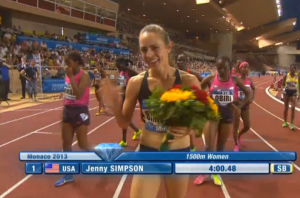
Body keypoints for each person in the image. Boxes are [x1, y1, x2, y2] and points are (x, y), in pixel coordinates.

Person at [101, 24, 202, 198]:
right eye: (144, 50)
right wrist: (116, 106)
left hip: (178, 153)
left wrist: (190, 129)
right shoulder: (136, 82)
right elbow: (123, 123)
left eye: (155, 48)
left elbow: (201, 122)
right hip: (149, 152)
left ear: (169, 47)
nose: (149, 55)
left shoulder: (189, 81)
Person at [194, 56, 251, 186]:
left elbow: (248, 94)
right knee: (209, 146)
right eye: (219, 68)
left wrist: (239, 106)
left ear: (229, 68)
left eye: (224, 68)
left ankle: (215, 172)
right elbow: (197, 93)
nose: (222, 71)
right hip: (212, 117)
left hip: (228, 117)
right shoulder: (210, 79)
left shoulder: (235, 80)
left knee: (220, 147)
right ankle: (204, 172)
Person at [55, 52, 94, 187]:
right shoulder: (68, 74)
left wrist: (71, 77)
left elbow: (78, 94)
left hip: (81, 111)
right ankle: (68, 174)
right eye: (66, 63)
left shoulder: (84, 76)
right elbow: (71, 91)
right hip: (68, 110)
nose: (67, 66)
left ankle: (101, 156)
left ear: (77, 63)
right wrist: (64, 93)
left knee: (83, 145)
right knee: (66, 144)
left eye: (69, 63)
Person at [177, 54, 203, 151]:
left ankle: (191, 147)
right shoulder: (172, 73)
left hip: (188, 104)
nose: (180, 62)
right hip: (176, 103)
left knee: (186, 128)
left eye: (183, 60)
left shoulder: (192, 74)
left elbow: (204, 81)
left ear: (187, 62)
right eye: (179, 60)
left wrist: (199, 94)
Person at [114, 57, 142, 147]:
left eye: (118, 64)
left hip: (130, 96)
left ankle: (124, 140)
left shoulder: (129, 71)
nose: (116, 66)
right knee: (123, 117)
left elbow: (139, 77)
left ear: (122, 64)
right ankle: (137, 131)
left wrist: (134, 88)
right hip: (124, 96)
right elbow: (121, 85)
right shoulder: (121, 72)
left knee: (124, 117)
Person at [232, 62, 255, 152]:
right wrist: (234, 98)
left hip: (245, 105)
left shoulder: (249, 79)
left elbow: (254, 88)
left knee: (247, 126)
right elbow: (230, 89)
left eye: (247, 67)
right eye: (244, 67)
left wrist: (253, 97)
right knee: (235, 126)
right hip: (237, 105)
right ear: (240, 69)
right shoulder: (236, 79)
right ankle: (236, 144)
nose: (246, 69)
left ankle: (239, 135)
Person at [281, 64, 300, 130]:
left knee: (293, 107)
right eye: (292, 69)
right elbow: (282, 85)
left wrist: (299, 94)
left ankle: (291, 123)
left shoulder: (297, 76)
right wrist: (282, 91)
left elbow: (299, 85)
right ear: (290, 69)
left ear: (295, 70)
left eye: (294, 69)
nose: (293, 70)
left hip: (294, 92)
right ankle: (285, 121)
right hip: (287, 92)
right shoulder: (286, 76)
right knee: (286, 107)